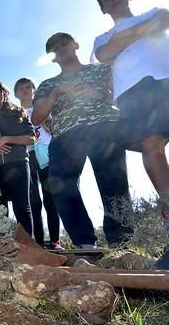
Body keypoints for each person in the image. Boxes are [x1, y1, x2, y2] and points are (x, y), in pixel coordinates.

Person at [32, 32, 133, 249]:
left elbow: (121, 96)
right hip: (66, 136)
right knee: (59, 182)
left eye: (64, 44)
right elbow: (36, 117)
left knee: (113, 182)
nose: (61, 49)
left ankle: (121, 242)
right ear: (53, 58)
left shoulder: (99, 70)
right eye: (55, 48)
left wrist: (97, 95)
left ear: (75, 44)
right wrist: (55, 94)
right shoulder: (48, 84)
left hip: (103, 129)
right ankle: (85, 243)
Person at [92, 0, 169, 228]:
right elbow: (104, 54)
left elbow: (164, 19)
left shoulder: (154, 11)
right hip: (132, 95)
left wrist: (123, 40)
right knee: (151, 144)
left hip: (165, 81)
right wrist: (144, 29)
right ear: (103, 8)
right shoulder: (102, 38)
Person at [0, 80, 35, 235]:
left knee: (22, 208)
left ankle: (28, 249)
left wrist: (6, 139)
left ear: (5, 94)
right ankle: (2, 252)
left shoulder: (18, 113)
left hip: (18, 165)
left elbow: (31, 138)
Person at [14, 77, 62, 249]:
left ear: (34, 90)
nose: (25, 90)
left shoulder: (43, 108)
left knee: (51, 199)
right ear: (16, 93)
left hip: (48, 153)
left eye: (28, 87)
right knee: (34, 201)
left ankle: (55, 241)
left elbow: (54, 127)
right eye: (21, 88)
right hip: (27, 156)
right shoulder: (14, 113)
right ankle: (39, 242)